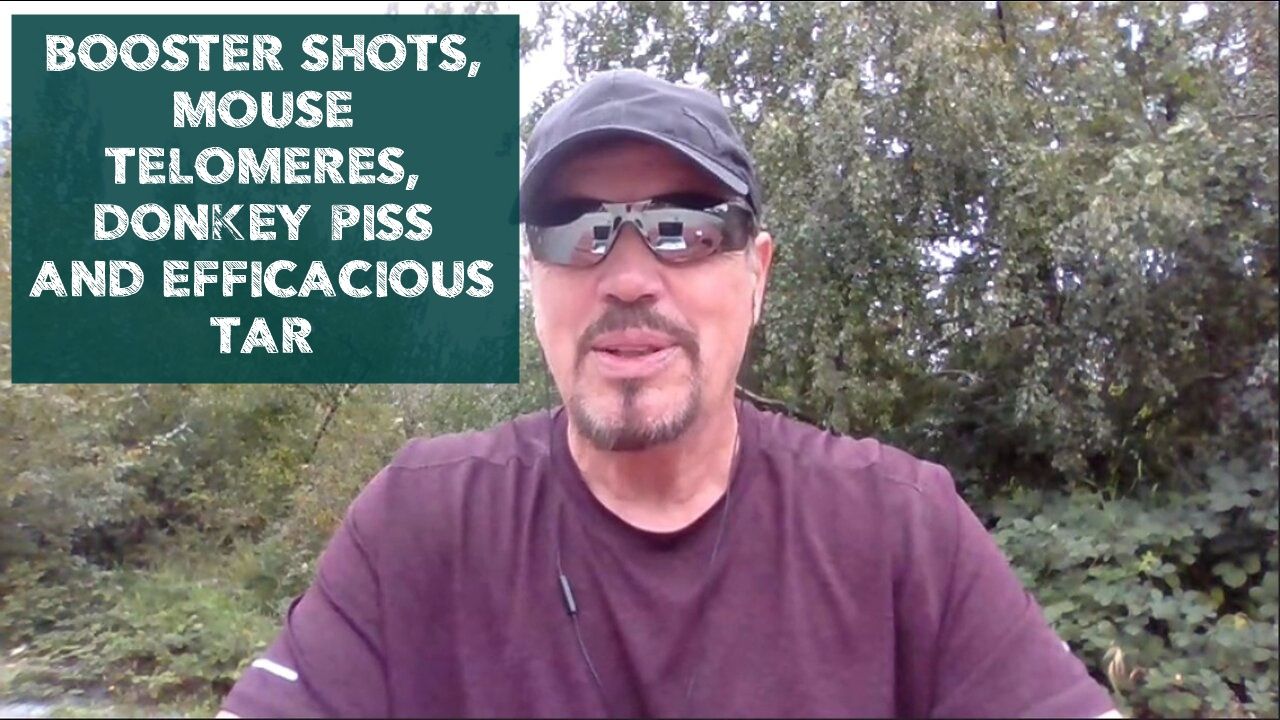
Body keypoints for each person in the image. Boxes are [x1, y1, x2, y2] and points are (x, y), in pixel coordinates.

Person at [218, 68, 1122, 719]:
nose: (627, 278)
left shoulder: (904, 532)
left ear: (758, 274)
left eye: (684, 228)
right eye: (576, 231)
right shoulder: (418, 523)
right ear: (534, 278)